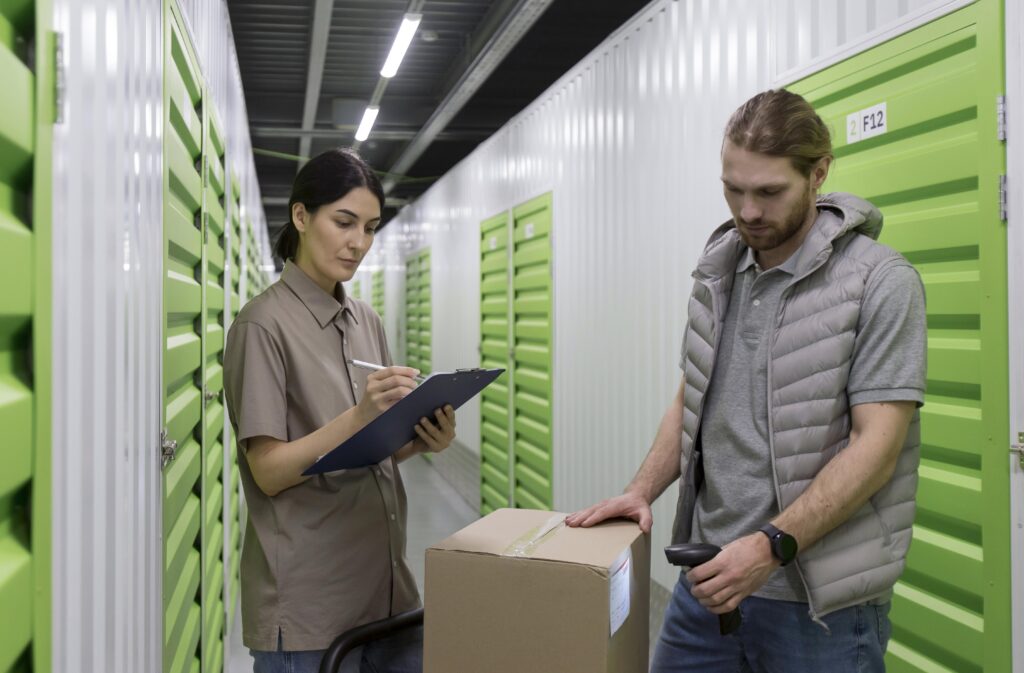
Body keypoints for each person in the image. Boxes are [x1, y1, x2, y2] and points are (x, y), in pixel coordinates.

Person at [566, 89, 926, 672]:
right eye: (733, 189)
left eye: (769, 192)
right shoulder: (720, 269)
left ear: (819, 174)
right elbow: (694, 393)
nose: (749, 211)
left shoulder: (880, 282)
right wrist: (640, 490)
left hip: (818, 610)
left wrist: (768, 548)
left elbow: (877, 448)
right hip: (706, 586)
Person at [224, 148, 456, 673]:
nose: (359, 243)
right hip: (312, 611)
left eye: (371, 227)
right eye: (344, 222)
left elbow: (369, 450)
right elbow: (268, 472)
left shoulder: (365, 319)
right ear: (301, 217)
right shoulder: (261, 327)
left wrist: (420, 439)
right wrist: (359, 415)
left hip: (387, 596)